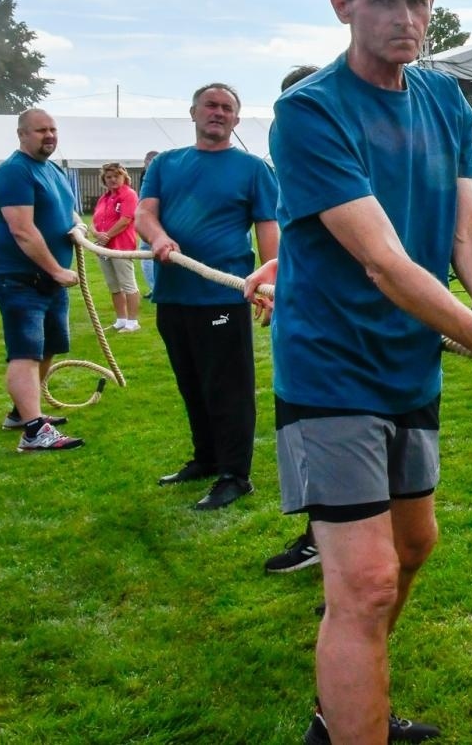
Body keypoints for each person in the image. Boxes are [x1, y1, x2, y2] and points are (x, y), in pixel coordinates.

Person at [245, 0, 472, 744]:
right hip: (331, 369)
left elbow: (467, 230)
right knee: (365, 585)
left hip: (407, 367)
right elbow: (387, 263)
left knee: (412, 550)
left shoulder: (443, 100)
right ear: (343, 5)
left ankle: (346, 703)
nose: (404, 15)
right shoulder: (309, 111)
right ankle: (357, 724)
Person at [137, 83, 279, 511]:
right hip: (174, 295)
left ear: (236, 119)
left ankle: (235, 475)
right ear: (194, 113)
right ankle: (206, 458)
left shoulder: (253, 169)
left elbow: (267, 227)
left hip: (222, 297)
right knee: (192, 384)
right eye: (210, 106)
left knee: (228, 390)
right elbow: (144, 212)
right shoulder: (166, 163)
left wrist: (271, 286)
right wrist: (159, 238)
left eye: (226, 108)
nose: (218, 113)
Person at [0, 109, 83, 450]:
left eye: (53, 129)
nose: (49, 136)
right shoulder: (14, 172)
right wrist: (56, 270)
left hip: (48, 279)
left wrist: (80, 227)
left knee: (48, 346)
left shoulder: (52, 170)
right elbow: (22, 230)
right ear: (22, 134)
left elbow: (65, 209)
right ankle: (33, 432)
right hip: (18, 277)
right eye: (41, 130)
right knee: (25, 351)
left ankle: (22, 412)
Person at [263, 63, 324, 575]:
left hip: (333, 340)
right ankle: (324, 540)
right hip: (301, 330)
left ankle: (335, 551)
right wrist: (282, 269)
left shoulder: (341, 154)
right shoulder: (293, 160)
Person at [91, 162, 142, 332]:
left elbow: (126, 220)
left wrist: (106, 236)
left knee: (128, 284)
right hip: (104, 247)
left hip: (121, 246)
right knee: (113, 285)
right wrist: (96, 233)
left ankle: (133, 322)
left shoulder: (129, 195)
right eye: (108, 177)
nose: (112, 180)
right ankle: (121, 318)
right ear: (104, 180)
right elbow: (94, 220)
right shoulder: (104, 198)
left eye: (116, 176)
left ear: (123, 177)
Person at [138, 150, 159, 299]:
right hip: (149, 220)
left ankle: (156, 288)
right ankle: (155, 288)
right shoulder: (145, 176)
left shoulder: (157, 176)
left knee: (149, 254)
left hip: (156, 221)